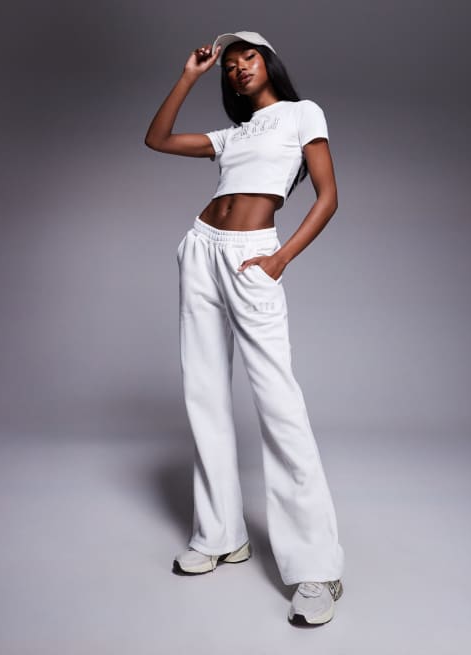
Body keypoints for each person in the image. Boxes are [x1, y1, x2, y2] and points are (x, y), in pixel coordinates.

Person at [144, 31, 345, 626]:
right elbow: (157, 138)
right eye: (228, 65)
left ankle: (316, 567)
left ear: (269, 62)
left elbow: (328, 197)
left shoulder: (303, 114)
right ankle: (220, 535)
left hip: (253, 256)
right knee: (204, 392)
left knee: (279, 403)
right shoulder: (232, 135)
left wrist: (281, 259)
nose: (237, 69)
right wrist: (190, 75)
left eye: (247, 58)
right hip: (201, 248)